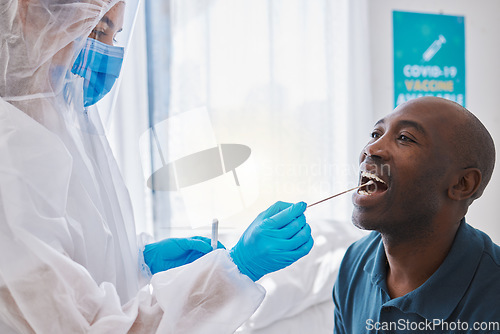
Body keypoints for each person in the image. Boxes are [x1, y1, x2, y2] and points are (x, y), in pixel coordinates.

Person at [0, 0, 313, 333]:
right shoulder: (11, 157)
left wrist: (138, 263)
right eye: (98, 29)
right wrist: (233, 272)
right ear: (29, 13)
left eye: (115, 36)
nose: (109, 54)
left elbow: (69, 264)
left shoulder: (59, 132)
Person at [333, 96, 500, 333]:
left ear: (463, 184)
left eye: (404, 138)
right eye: (375, 134)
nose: (371, 149)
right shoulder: (354, 263)